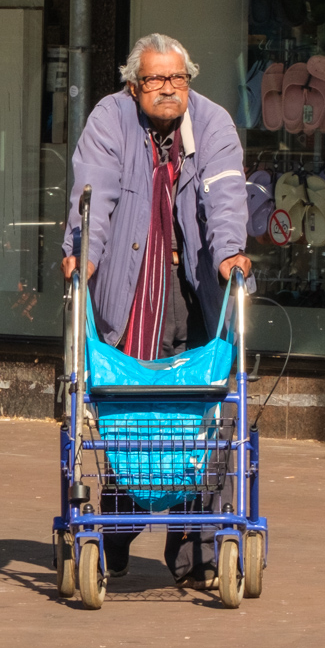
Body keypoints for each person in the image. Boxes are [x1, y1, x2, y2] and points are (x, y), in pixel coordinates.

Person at [61, 33, 252, 586]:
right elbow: (93, 192)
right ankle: (116, 533)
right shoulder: (110, 119)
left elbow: (225, 194)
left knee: (201, 412)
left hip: (192, 285)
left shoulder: (213, 124)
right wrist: (83, 254)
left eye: (177, 78)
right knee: (132, 410)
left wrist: (230, 252)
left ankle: (196, 551)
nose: (168, 88)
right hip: (131, 284)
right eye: (156, 79)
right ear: (133, 85)